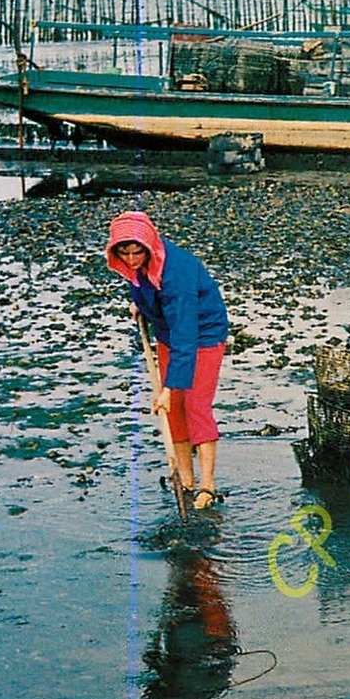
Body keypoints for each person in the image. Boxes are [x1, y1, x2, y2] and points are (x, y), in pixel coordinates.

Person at [106, 211, 231, 509]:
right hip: (167, 331)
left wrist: (167, 387)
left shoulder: (178, 275)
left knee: (196, 405)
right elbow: (142, 285)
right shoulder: (135, 265)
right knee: (173, 410)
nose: (133, 259)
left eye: (138, 252)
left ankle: (207, 486)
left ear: (149, 247)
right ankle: (185, 481)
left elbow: (185, 337)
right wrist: (142, 308)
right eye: (126, 253)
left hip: (202, 334)